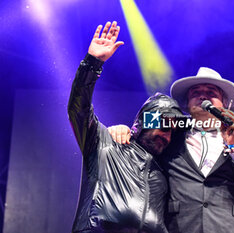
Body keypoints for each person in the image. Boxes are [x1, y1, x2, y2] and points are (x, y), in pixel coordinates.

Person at [109, 67, 234, 233]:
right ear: (186, 104)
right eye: (195, 92)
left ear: (225, 104)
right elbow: (141, 128)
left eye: (211, 92)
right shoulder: (171, 134)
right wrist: (124, 129)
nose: (203, 96)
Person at [68, 21, 184, 233]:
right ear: (142, 123)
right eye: (162, 125)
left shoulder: (163, 174)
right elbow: (79, 109)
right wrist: (92, 63)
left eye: (171, 131)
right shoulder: (105, 143)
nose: (166, 136)